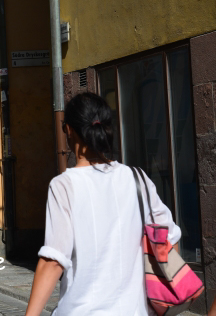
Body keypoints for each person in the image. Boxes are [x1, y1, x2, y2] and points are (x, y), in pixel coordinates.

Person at [25, 93, 181, 316]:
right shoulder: (137, 178)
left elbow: (54, 261)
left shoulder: (64, 185)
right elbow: (169, 240)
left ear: (68, 130)